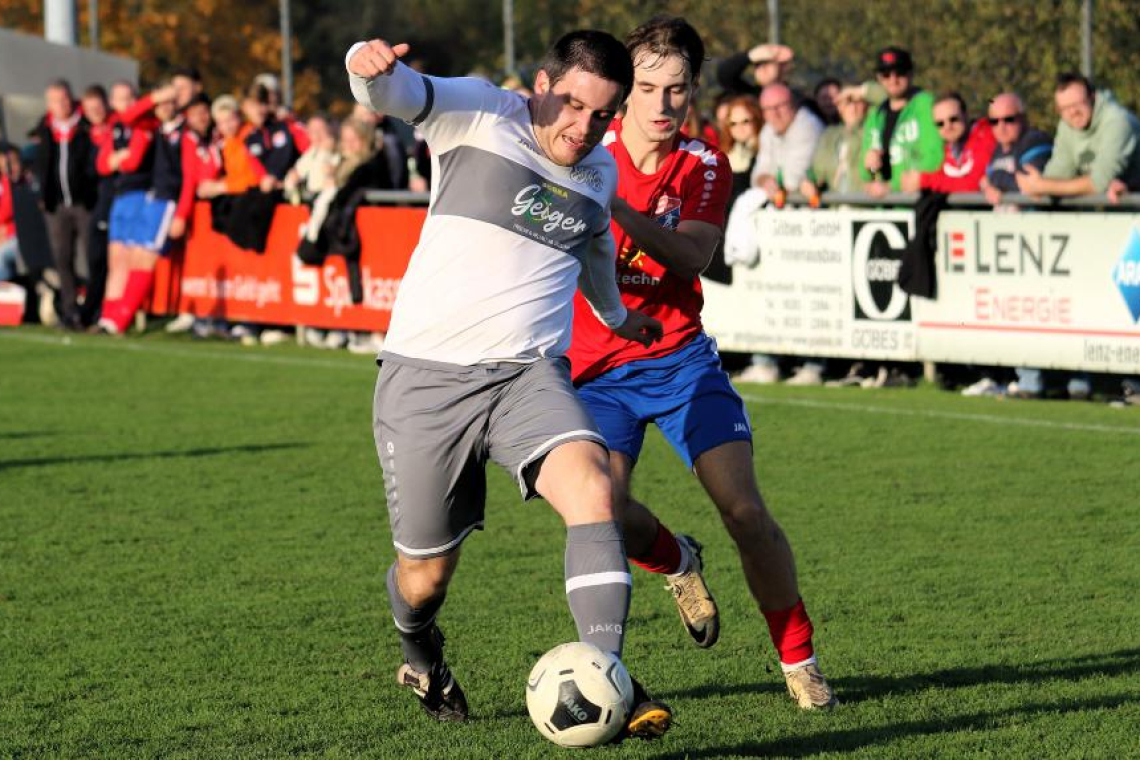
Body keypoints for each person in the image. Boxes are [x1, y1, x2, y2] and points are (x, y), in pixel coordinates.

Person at [346, 29, 672, 737]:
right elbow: (397, 92)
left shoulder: (599, 173)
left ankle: (604, 675)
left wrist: (619, 318)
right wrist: (364, 68)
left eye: (602, 117)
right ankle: (418, 651)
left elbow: (592, 253)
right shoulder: (480, 111)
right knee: (424, 577)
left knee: (593, 485)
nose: (584, 129)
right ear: (542, 83)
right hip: (426, 380)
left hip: (529, 374)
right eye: (574, 107)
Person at [568, 15, 838, 711]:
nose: (662, 104)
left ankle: (799, 660)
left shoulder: (704, 163)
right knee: (604, 508)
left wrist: (616, 207)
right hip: (596, 370)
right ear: (624, 91)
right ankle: (674, 559)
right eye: (649, 87)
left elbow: (692, 255)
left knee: (746, 512)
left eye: (677, 89)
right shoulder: (576, 152)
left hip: (680, 361)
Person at [1016, 72, 1140, 204]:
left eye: (1077, 104)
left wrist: (1043, 186)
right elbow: (1059, 173)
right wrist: (1037, 186)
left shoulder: (1118, 121)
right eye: (1065, 108)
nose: (1072, 112)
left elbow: (1099, 183)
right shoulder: (1067, 126)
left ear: (1093, 97)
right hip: (1107, 215)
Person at [34, 79, 98, 330]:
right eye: (56, 101)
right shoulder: (45, 128)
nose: (62, 105)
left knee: (92, 257)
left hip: (84, 203)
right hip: (56, 205)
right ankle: (70, 311)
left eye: (65, 99)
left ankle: (92, 310)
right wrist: (44, 195)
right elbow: (43, 164)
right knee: (62, 259)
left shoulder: (85, 126)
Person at [861, 46, 942, 196]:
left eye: (900, 72)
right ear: (879, 78)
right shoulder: (875, 115)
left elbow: (934, 160)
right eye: (886, 74)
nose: (893, 79)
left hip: (919, 203)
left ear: (911, 74)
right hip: (886, 209)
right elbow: (868, 174)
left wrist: (892, 187)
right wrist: (871, 171)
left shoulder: (926, 106)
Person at [904, 92, 995, 193]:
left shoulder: (986, 136)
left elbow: (974, 183)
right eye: (940, 123)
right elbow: (943, 179)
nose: (947, 127)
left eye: (953, 119)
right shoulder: (948, 148)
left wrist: (924, 180)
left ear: (965, 115)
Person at [751, 83, 824, 200]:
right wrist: (765, 180)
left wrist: (770, 182)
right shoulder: (768, 129)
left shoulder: (808, 126)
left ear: (793, 105)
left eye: (780, 106)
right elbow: (758, 173)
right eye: (768, 109)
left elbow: (793, 181)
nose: (775, 113)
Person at [980, 92, 1052, 207]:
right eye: (994, 121)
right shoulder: (997, 149)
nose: (1001, 127)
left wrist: (995, 177)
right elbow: (985, 181)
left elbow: (1028, 184)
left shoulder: (1036, 141)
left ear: (1023, 119)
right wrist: (987, 186)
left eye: (1009, 119)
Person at [801, 83, 872, 199]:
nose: (853, 108)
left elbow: (889, 99)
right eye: (848, 102)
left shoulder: (873, 130)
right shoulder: (829, 135)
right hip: (834, 209)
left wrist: (862, 90)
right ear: (839, 106)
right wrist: (809, 182)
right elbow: (816, 171)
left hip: (864, 206)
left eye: (858, 102)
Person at [718, 94, 764, 211]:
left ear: (757, 120)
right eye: (733, 124)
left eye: (745, 121)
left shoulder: (765, 152)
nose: (739, 128)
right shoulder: (725, 156)